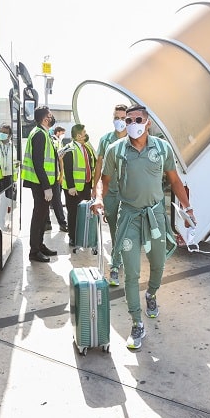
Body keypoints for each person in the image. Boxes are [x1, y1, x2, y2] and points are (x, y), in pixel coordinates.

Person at [92, 104, 196, 350]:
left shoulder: (162, 148)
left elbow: (174, 180)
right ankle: (136, 322)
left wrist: (187, 207)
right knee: (131, 272)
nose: (132, 124)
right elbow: (103, 181)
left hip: (156, 215)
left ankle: (151, 294)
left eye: (137, 119)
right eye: (128, 121)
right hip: (128, 215)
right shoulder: (115, 150)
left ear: (147, 122)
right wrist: (98, 198)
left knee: (158, 263)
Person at [92, 104, 128, 286]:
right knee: (114, 228)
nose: (119, 121)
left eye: (123, 118)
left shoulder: (134, 139)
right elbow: (99, 165)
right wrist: (95, 190)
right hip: (111, 193)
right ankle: (117, 257)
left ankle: (117, 261)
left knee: (124, 229)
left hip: (129, 194)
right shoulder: (106, 140)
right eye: (117, 117)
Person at [21, 106, 59, 263]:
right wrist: (46, 187)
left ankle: (40, 245)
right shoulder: (39, 134)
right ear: (45, 118)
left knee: (42, 217)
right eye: (50, 115)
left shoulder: (42, 133)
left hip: (43, 183)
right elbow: (38, 163)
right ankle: (34, 251)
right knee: (38, 217)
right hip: (40, 184)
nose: (52, 118)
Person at [61, 123, 96, 247]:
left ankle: (82, 237)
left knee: (83, 213)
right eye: (84, 132)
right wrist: (71, 186)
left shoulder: (87, 148)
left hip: (86, 186)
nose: (86, 134)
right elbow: (68, 169)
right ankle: (72, 238)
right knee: (73, 213)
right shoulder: (69, 148)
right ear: (78, 135)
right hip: (73, 188)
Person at [45, 126, 68, 233]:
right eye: (63, 133)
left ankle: (48, 223)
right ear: (58, 132)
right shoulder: (54, 141)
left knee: (52, 201)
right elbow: (59, 159)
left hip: (54, 175)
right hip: (52, 176)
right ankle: (62, 223)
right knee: (56, 202)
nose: (64, 135)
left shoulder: (57, 141)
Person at [0, 123, 19, 227]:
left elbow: (14, 162)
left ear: (9, 135)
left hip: (9, 178)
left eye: (5, 133)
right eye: (0, 132)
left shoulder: (12, 146)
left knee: (7, 203)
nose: (2, 134)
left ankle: (5, 221)